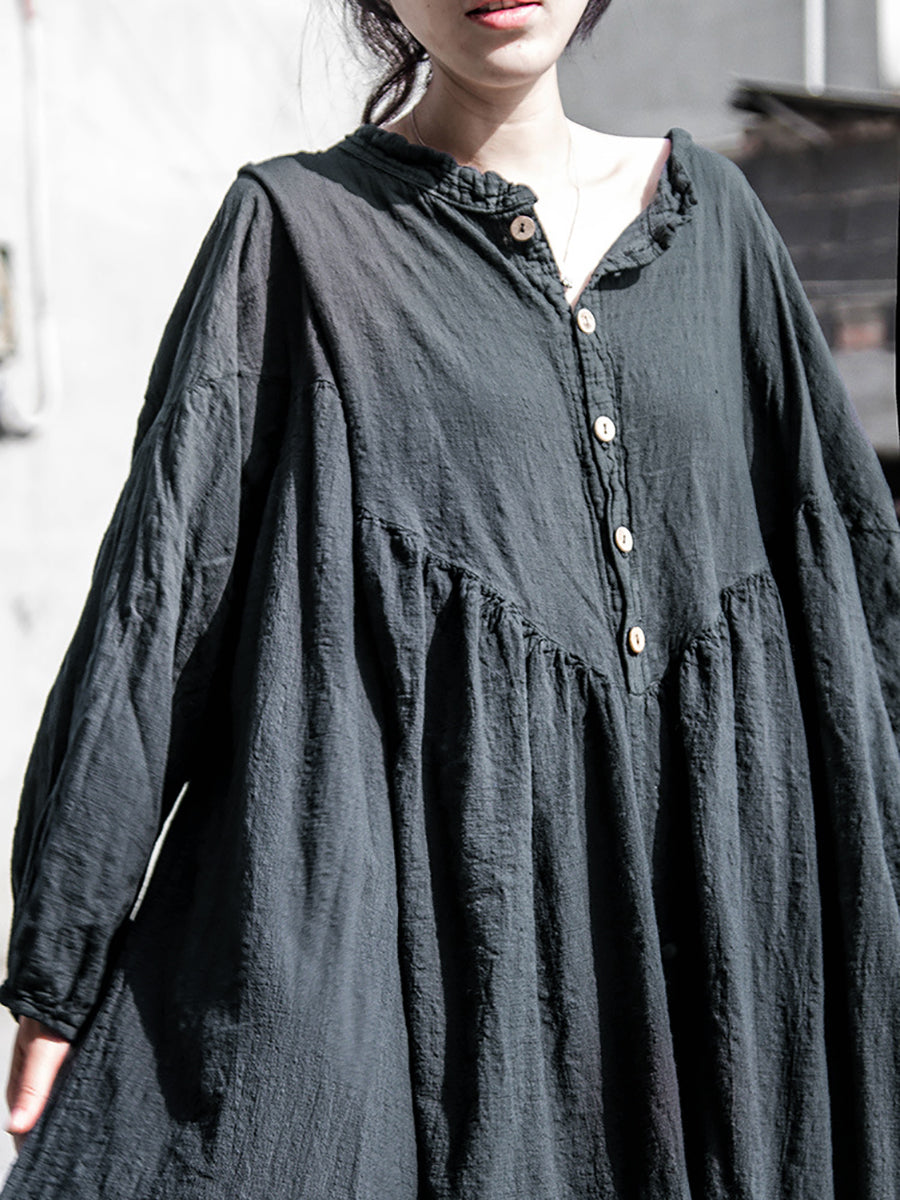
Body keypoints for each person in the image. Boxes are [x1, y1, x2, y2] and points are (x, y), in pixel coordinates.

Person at [2, 0, 899, 1196]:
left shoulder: (721, 224)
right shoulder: (299, 233)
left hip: (728, 929)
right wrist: (63, 958)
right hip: (445, 941)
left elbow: (849, 571)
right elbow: (163, 603)